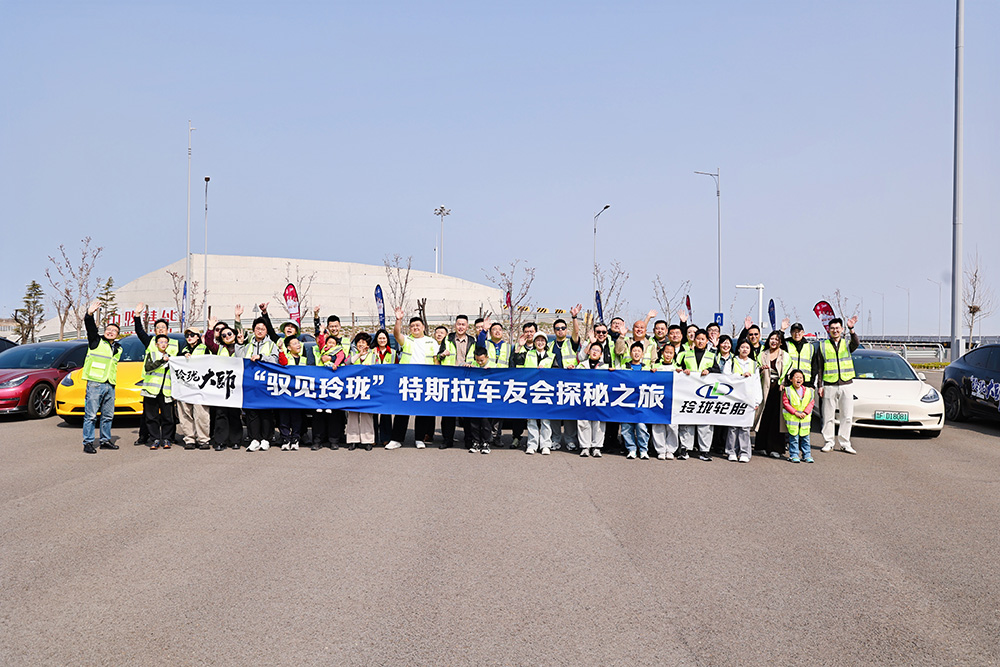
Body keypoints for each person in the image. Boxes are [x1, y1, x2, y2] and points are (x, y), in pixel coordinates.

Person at [387, 308, 439, 449]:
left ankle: (419, 439)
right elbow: (396, 334)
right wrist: (398, 320)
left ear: (423, 327)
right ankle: (396, 439)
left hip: (425, 379)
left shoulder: (432, 342)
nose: (415, 328)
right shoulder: (407, 340)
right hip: (407, 379)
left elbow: (436, 360)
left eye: (418, 326)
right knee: (402, 410)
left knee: (422, 410)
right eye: (412, 326)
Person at [131, 303, 176, 446]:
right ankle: (148, 437)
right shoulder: (150, 341)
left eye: (163, 327)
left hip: (167, 386)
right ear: (154, 330)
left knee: (168, 415)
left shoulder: (175, 344)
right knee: (149, 415)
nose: (160, 329)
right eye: (158, 328)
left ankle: (169, 438)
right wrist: (137, 316)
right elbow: (139, 331)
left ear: (168, 330)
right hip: (151, 385)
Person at [81, 301, 123, 454]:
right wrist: (90, 314)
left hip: (110, 385)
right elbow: (90, 327)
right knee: (91, 416)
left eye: (114, 330)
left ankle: (105, 440)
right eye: (108, 329)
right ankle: (88, 442)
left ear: (118, 335)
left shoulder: (118, 349)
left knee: (108, 416)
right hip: (95, 384)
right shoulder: (96, 341)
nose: (111, 332)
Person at [817, 316, 860, 454]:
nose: (835, 330)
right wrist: (820, 385)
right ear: (828, 330)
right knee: (828, 416)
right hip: (829, 384)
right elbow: (819, 367)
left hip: (846, 384)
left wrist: (851, 329)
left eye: (837, 328)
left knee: (847, 416)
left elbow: (856, 343)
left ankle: (845, 443)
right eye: (832, 328)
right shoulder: (823, 345)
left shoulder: (847, 344)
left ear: (842, 329)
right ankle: (829, 441)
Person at [675, 329, 719, 461]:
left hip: (705, 394)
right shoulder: (685, 354)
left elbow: (718, 370)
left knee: (705, 421)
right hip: (687, 393)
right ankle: (684, 448)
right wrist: (683, 370)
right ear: (694, 340)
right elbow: (678, 368)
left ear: (707, 341)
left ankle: (704, 450)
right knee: (686, 420)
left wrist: (709, 370)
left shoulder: (711, 356)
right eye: (698, 339)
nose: (700, 341)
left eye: (703, 339)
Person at [314, 308, 351, 444]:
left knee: (338, 411)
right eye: (331, 326)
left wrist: (331, 357)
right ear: (328, 328)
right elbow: (318, 334)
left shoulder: (346, 341)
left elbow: (348, 357)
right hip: (323, 378)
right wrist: (316, 317)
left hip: (340, 378)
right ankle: (320, 439)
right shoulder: (323, 342)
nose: (334, 328)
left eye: (336, 326)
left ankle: (337, 437)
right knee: (321, 410)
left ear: (340, 326)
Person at [549, 306, 583, 450]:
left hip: (571, 383)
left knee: (570, 414)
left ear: (566, 330)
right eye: (557, 328)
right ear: (554, 331)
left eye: (563, 328)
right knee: (555, 413)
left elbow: (577, 332)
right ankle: (555, 439)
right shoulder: (550, 345)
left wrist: (574, 317)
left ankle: (570, 440)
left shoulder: (571, 343)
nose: (560, 330)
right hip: (554, 383)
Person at [243, 316, 279, 452]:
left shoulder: (271, 345)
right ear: (253, 330)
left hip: (265, 384)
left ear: (266, 331)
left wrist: (262, 358)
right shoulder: (248, 345)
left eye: (262, 329)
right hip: (250, 384)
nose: (260, 331)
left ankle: (266, 438)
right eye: (257, 328)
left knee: (266, 412)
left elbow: (275, 361)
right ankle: (254, 439)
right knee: (252, 412)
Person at [440, 315, 475, 449]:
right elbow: (438, 355)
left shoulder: (472, 340)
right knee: (448, 412)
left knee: (467, 412)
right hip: (449, 378)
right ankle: (447, 439)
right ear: (455, 325)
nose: (461, 327)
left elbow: (476, 358)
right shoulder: (447, 339)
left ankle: (468, 439)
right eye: (458, 324)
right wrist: (442, 354)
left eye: (463, 324)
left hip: (466, 378)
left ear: (467, 326)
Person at [207, 324, 244, 450]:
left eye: (229, 334)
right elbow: (209, 342)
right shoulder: (219, 349)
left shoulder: (241, 347)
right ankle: (220, 441)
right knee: (220, 413)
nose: (227, 336)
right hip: (221, 386)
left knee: (234, 413)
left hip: (236, 386)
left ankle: (235, 440)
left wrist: (240, 342)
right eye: (223, 335)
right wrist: (211, 329)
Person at [756, 331, 791, 459]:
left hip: (779, 390)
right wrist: (760, 369)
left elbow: (789, 372)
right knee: (764, 416)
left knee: (776, 419)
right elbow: (755, 369)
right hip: (764, 388)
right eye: (772, 339)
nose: (774, 341)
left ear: (781, 342)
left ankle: (775, 448)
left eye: (777, 339)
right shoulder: (762, 354)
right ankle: (761, 446)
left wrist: (784, 383)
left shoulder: (785, 355)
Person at [176, 326, 212, 450]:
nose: (189, 337)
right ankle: (189, 439)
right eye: (187, 335)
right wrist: (182, 355)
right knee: (185, 413)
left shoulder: (204, 349)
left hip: (200, 387)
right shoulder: (182, 350)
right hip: (184, 387)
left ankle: (203, 439)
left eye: (192, 335)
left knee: (201, 413)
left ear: (198, 337)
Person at [725, 341, 761, 463]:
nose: (745, 349)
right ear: (738, 349)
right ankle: (731, 451)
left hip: (748, 399)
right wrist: (741, 375)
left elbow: (757, 383)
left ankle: (745, 452)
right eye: (742, 347)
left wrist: (757, 401)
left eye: (747, 347)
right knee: (733, 426)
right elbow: (726, 378)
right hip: (734, 398)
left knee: (745, 427)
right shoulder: (732, 362)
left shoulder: (754, 364)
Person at [519, 333, 554, 455]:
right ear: (534, 343)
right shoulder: (528, 354)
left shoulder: (552, 356)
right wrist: (519, 347)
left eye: (542, 340)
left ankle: (545, 445)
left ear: (546, 342)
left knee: (545, 420)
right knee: (531, 419)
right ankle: (532, 444)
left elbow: (557, 372)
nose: (540, 342)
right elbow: (517, 364)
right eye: (537, 340)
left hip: (546, 391)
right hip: (531, 390)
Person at [277, 335, 312, 451]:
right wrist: (281, 350)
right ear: (289, 347)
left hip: (298, 394)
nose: (298, 345)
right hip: (285, 393)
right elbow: (282, 363)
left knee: (297, 417)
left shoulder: (303, 359)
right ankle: (285, 438)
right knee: (284, 417)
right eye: (295, 343)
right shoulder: (285, 356)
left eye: (298, 343)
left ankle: (295, 438)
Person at [141, 334, 175, 450]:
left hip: (166, 391)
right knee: (151, 417)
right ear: (156, 344)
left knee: (168, 417)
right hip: (151, 390)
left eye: (165, 342)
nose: (163, 344)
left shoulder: (172, 357)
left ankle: (167, 439)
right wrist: (161, 361)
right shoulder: (151, 354)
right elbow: (148, 367)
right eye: (161, 342)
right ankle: (154, 439)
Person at [577, 340, 609, 458]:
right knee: (583, 422)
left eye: (598, 351)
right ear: (589, 351)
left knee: (599, 423)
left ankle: (597, 447)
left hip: (599, 397)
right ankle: (585, 446)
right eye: (593, 350)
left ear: (601, 354)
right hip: (584, 396)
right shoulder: (581, 365)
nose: (595, 352)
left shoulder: (605, 366)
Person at [619, 341, 652, 459]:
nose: (636, 353)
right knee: (626, 428)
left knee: (641, 427)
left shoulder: (647, 368)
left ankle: (643, 450)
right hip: (626, 403)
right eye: (634, 351)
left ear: (642, 354)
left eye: (639, 351)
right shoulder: (623, 367)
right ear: (630, 353)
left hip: (642, 403)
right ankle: (631, 449)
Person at [344, 332, 376, 451]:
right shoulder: (352, 354)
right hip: (353, 388)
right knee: (352, 414)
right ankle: (352, 440)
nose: (361, 344)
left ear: (368, 344)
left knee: (366, 414)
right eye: (359, 342)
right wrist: (359, 355)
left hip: (368, 388)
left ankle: (367, 440)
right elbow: (346, 363)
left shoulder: (373, 355)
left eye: (364, 342)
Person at [650, 344, 680, 460]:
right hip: (658, 399)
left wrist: (683, 373)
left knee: (672, 425)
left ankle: (671, 449)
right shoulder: (656, 366)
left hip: (673, 401)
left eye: (671, 353)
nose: (668, 355)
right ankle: (660, 449)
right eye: (666, 352)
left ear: (674, 354)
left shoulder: (677, 367)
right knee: (658, 425)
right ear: (662, 353)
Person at [468, 347, 498, 454]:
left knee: (486, 423)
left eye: (482, 360)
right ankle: (476, 442)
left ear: (487, 357)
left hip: (487, 399)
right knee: (474, 422)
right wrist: (468, 367)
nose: (479, 363)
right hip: (475, 399)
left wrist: (491, 372)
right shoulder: (474, 365)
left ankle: (486, 443)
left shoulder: (494, 366)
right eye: (477, 360)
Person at [371, 329, 397, 446]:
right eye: (380, 338)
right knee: (373, 413)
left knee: (386, 413)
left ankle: (386, 437)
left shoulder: (393, 352)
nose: (382, 340)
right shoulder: (371, 352)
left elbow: (397, 369)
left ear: (387, 340)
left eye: (384, 338)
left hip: (388, 386)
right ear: (376, 339)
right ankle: (373, 438)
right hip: (374, 386)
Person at [783, 369, 815, 463]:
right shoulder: (788, 390)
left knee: (806, 439)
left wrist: (805, 412)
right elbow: (786, 403)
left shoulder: (809, 391)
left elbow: (811, 403)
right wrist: (795, 412)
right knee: (794, 439)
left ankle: (807, 455)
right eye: (796, 377)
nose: (799, 379)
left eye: (801, 377)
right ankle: (794, 455)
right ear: (791, 379)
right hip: (793, 419)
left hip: (805, 420)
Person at [784, 322, 817, 387]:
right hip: (790, 381)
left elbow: (814, 367)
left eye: (799, 332)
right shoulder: (786, 345)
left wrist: (812, 383)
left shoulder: (810, 347)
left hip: (806, 382)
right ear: (790, 333)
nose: (797, 334)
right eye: (794, 332)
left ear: (803, 333)